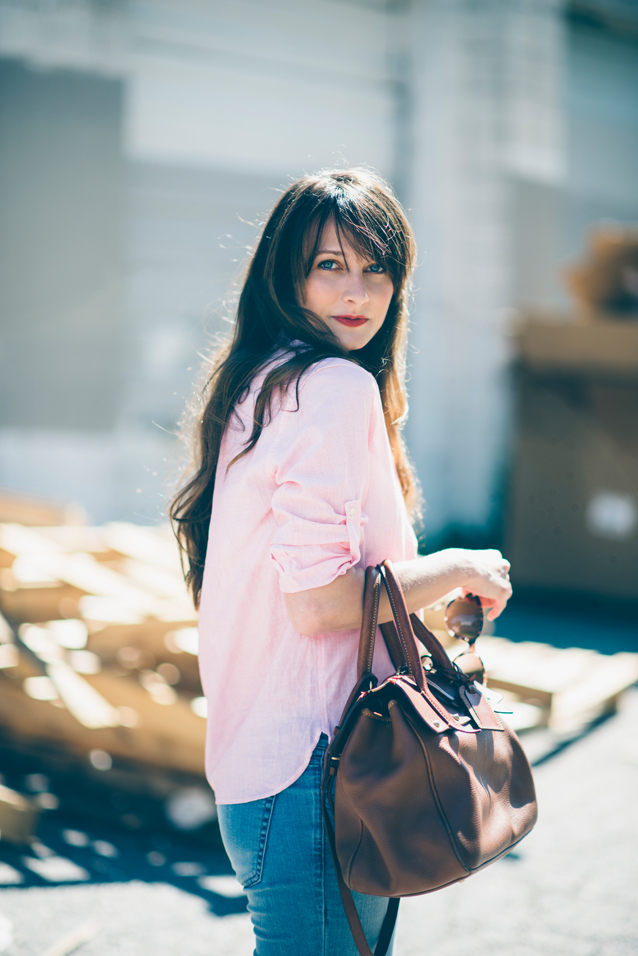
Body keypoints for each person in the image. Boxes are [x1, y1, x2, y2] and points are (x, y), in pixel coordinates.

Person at [170, 168, 512, 955]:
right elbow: (320, 604)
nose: (356, 291)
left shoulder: (262, 382)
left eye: (376, 267)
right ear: (287, 274)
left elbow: (317, 586)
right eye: (329, 265)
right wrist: (459, 564)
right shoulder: (329, 386)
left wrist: (432, 591)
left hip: (275, 772)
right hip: (318, 773)